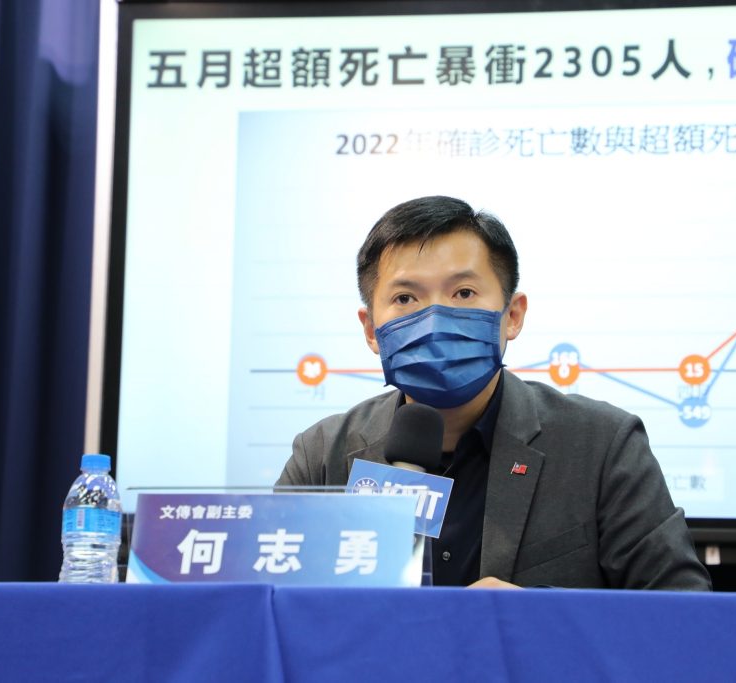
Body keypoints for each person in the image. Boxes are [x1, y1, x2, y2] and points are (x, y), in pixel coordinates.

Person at [276, 196, 711, 590]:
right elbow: (265, 609)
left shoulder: (601, 446)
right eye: (406, 299)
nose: (435, 321)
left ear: (512, 316)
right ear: (371, 329)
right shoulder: (323, 456)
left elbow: (685, 612)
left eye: (463, 293)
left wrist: (536, 620)